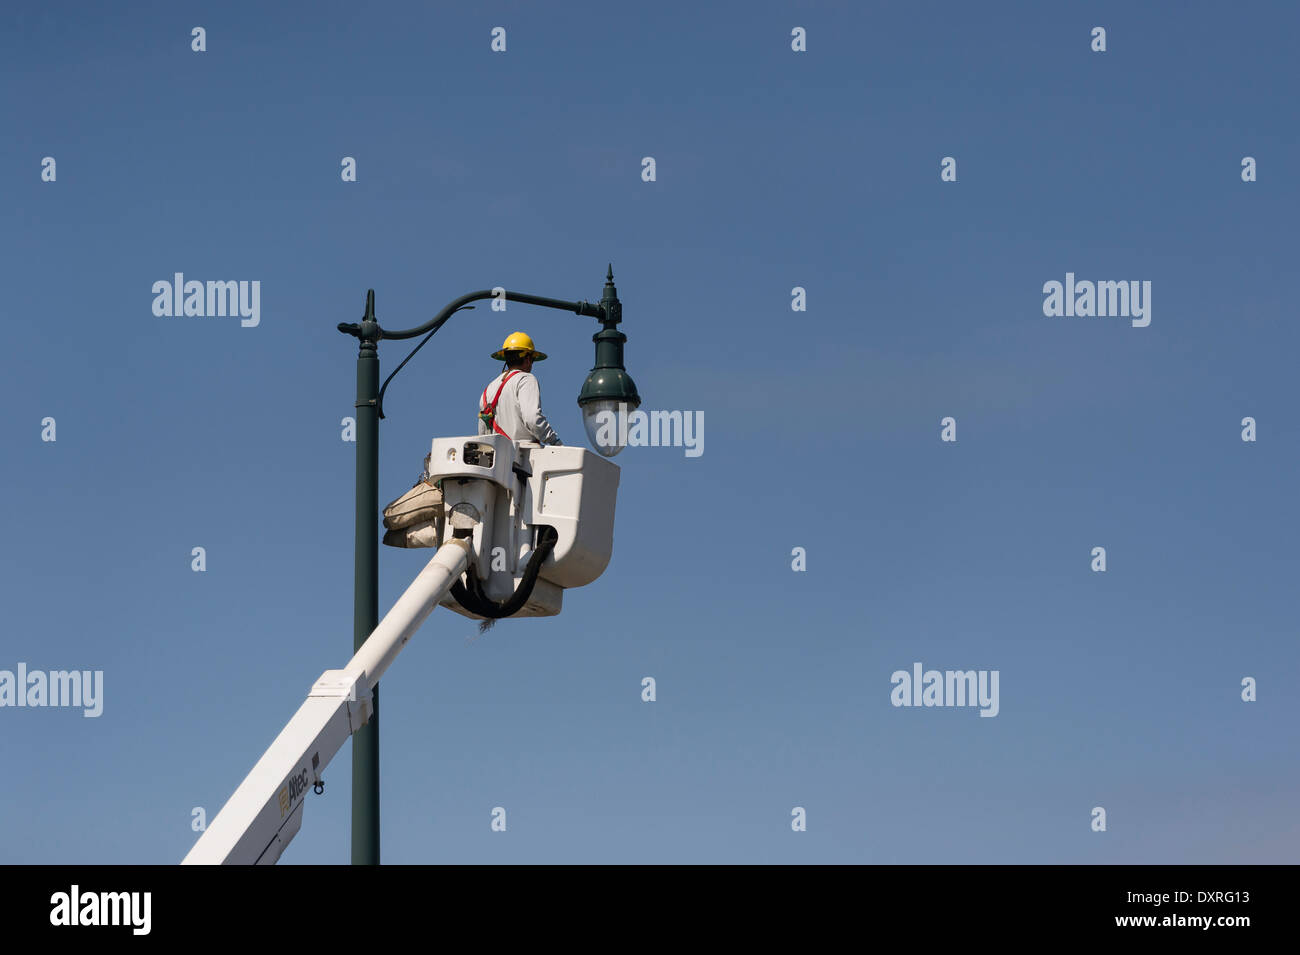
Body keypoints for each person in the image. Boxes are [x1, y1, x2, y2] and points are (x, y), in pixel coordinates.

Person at [479, 332, 562, 446]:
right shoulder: (526, 379)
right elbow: (532, 419)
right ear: (528, 359)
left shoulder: (488, 390)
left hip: (499, 459)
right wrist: (555, 441)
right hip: (525, 458)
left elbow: (483, 432)